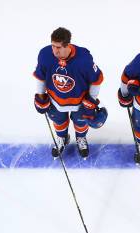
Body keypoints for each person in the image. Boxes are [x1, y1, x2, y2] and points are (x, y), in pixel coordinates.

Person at [33, 27, 106, 159]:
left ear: (67, 45)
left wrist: (91, 100)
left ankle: (81, 139)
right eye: (53, 46)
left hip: (79, 101)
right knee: (59, 121)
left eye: (58, 47)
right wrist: (40, 96)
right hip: (56, 99)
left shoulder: (84, 59)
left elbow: (96, 80)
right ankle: (62, 138)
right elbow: (41, 76)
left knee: (80, 123)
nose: (55, 51)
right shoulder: (45, 54)